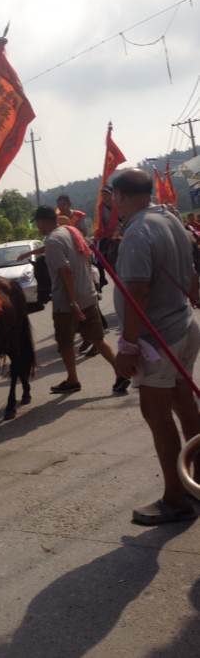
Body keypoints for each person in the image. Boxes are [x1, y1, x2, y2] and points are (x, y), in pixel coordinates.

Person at [113, 169, 200, 526]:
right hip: (183, 325)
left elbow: (137, 292)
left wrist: (128, 346)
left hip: (159, 339)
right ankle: (195, 480)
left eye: (113, 197)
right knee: (185, 405)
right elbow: (192, 273)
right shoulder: (169, 218)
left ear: (120, 196)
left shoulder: (137, 232)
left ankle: (176, 499)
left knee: (157, 414)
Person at [34, 205, 129, 395]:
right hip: (87, 294)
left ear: (42, 222)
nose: (37, 226)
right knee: (98, 339)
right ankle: (121, 373)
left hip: (67, 302)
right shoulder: (72, 231)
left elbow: (65, 271)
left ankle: (73, 379)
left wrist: (72, 302)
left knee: (65, 343)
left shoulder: (52, 240)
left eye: (37, 223)